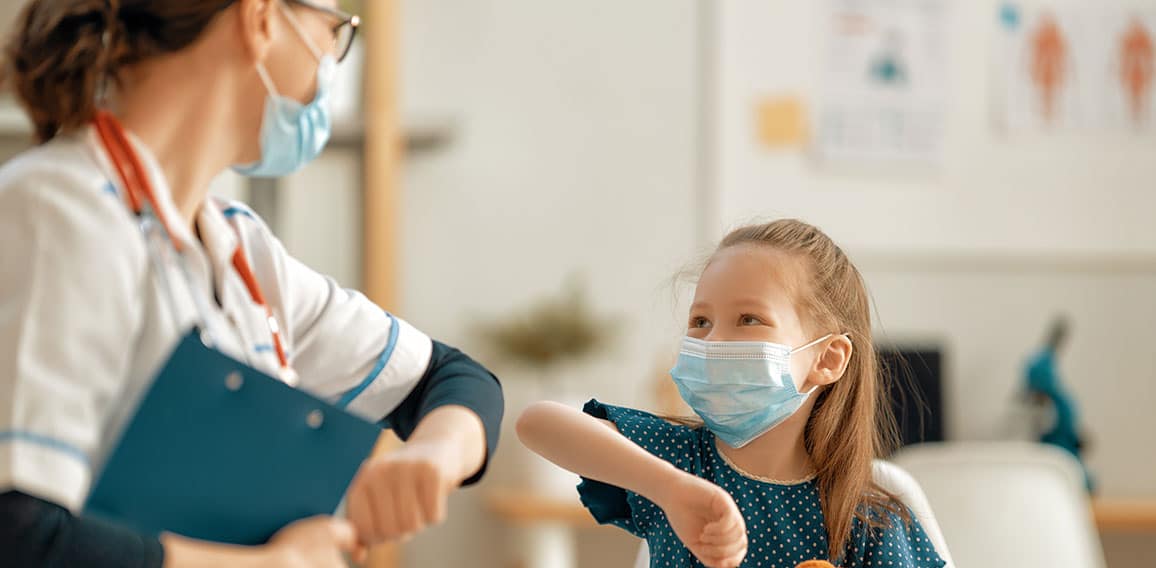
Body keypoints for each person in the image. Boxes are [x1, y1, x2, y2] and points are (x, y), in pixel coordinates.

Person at [0, 1, 503, 567]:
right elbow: (21, 535)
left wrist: (434, 454)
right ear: (261, 19)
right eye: (332, 30)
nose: (327, 66)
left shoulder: (240, 249)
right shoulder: (58, 211)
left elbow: (453, 378)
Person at [517, 219, 946, 567]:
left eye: (748, 319)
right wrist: (669, 489)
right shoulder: (678, 463)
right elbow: (537, 423)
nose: (713, 342)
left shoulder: (868, 521)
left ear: (828, 359)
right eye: (701, 322)